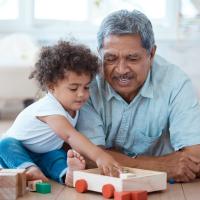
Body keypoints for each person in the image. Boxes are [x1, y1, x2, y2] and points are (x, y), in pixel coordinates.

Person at [76, 9, 200, 183]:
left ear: (151, 54)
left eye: (132, 58)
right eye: (110, 59)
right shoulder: (86, 84)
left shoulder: (175, 82)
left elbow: (194, 158)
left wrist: (112, 158)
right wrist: (160, 166)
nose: (121, 70)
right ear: (99, 53)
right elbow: (87, 157)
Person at [0, 40, 121, 186]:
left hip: (44, 153)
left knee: (58, 156)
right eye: (73, 88)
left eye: (86, 87)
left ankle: (66, 175)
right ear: (51, 87)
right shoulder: (49, 107)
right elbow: (69, 135)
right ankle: (29, 169)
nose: (82, 94)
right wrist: (100, 155)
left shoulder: (74, 106)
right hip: (17, 149)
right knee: (4, 144)